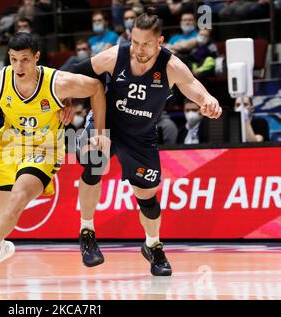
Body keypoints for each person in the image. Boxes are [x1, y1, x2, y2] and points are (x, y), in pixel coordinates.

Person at [0, 32, 108, 289]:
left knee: (18, 198)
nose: (19, 67)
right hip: (8, 144)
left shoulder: (58, 82)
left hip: (44, 148)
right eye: (13, 60)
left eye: (24, 60)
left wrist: (99, 133)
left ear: (36, 58)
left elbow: (97, 88)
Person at [69, 13, 221, 276]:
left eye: (146, 44)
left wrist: (208, 100)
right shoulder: (114, 56)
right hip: (107, 125)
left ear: (159, 41)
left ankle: (153, 245)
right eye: (135, 42)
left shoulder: (171, 65)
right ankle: (87, 232)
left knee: (147, 198)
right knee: (93, 162)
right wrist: (65, 101)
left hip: (141, 136)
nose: (139, 49)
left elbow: (193, 85)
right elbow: (74, 73)